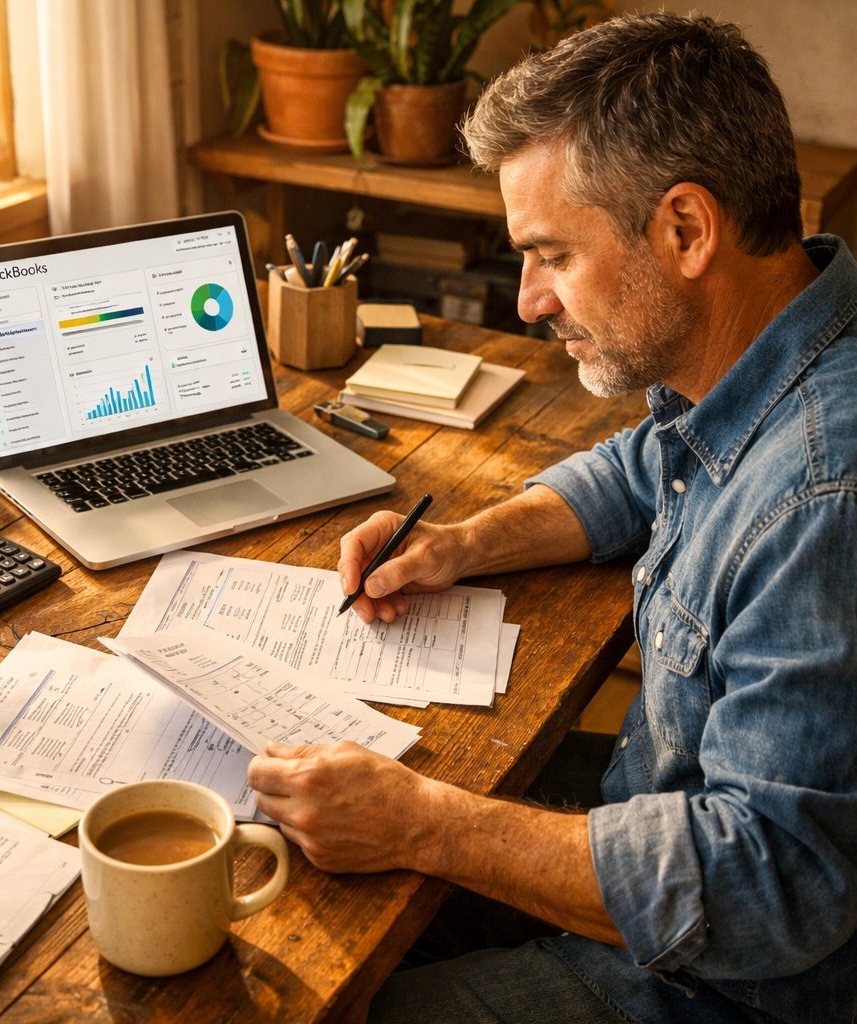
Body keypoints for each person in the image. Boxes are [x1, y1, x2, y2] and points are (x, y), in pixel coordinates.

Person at [247, 13, 857, 1024]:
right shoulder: (775, 341)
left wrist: (429, 829)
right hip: (664, 810)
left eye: (550, 254)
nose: (527, 300)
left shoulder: (822, 496)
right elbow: (646, 466)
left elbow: (772, 883)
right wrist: (461, 541)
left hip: (737, 984)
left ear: (686, 230)